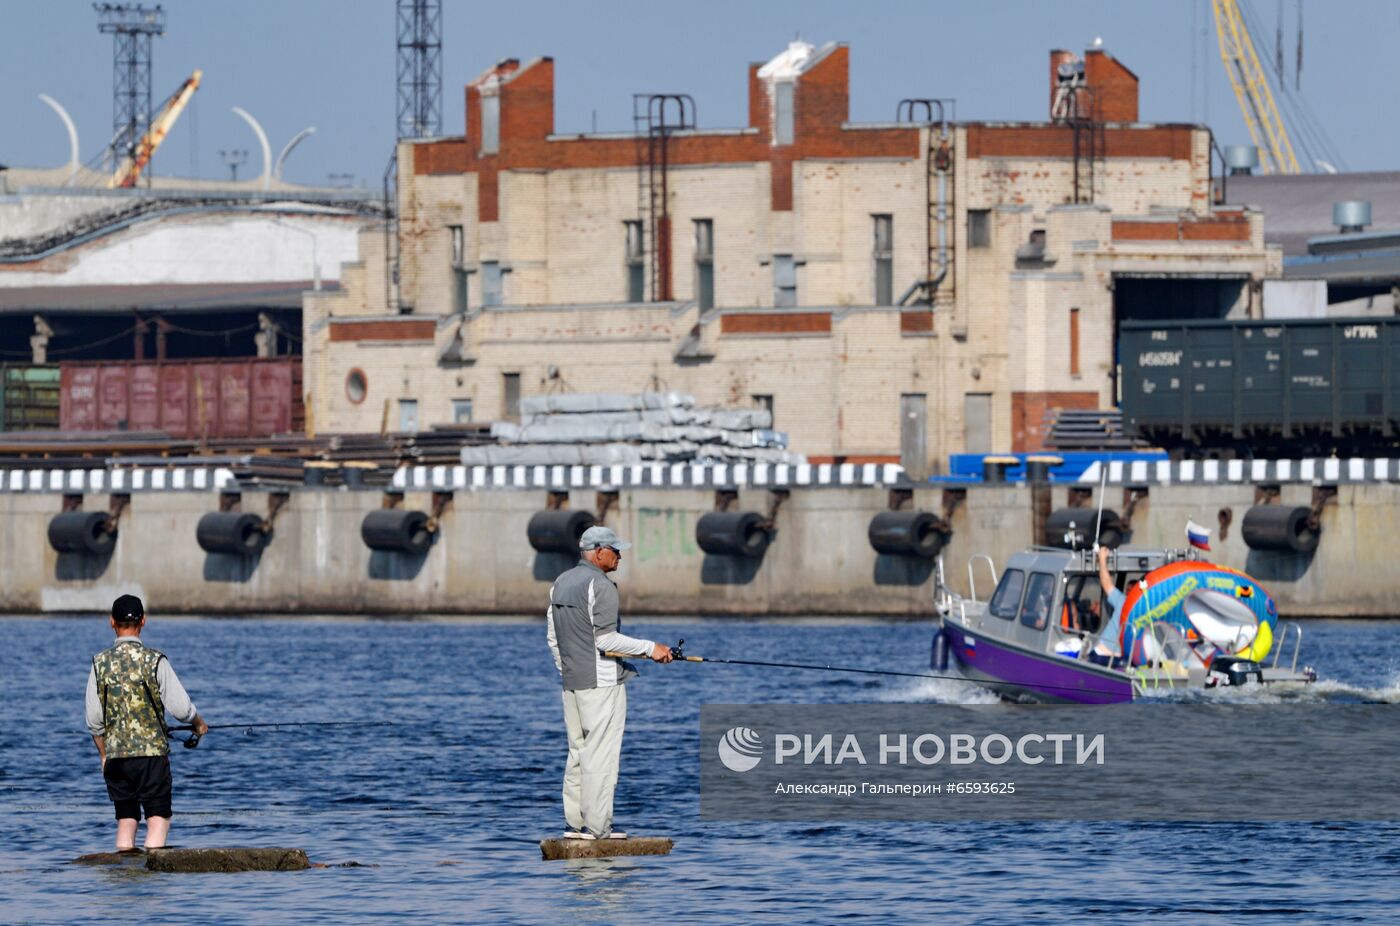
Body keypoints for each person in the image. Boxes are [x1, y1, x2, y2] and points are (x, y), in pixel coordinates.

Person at [546, 525, 673, 840]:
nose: (619, 556)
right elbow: (605, 640)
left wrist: (567, 670)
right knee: (600, 756)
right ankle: (598, 828)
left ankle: (575, 826)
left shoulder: (560, 582)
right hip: (602, 684)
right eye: (615, 550)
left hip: (572, 683)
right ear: (598, 551)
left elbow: (553, 636)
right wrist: (651, 649)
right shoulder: (600, 585)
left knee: (578, 752)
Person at [85, 594, 207, 851]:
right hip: (151, 757)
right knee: (157, 819)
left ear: (111, 622)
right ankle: (152, 877)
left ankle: (124, 872)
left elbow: (94, 722)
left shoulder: (99, 664)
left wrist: (104, 756)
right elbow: (182, 709)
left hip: (117, 757)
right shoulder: (155, 661)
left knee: (126, 820)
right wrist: (198, 723)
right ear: (143, 621)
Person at [1089, 546, 1128, 666]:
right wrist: (1102, 560)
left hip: (1122, 660)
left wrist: (1102, 559)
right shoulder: (1124, 601)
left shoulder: (1126, 601)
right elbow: (1107, 584)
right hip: (1102, 656)